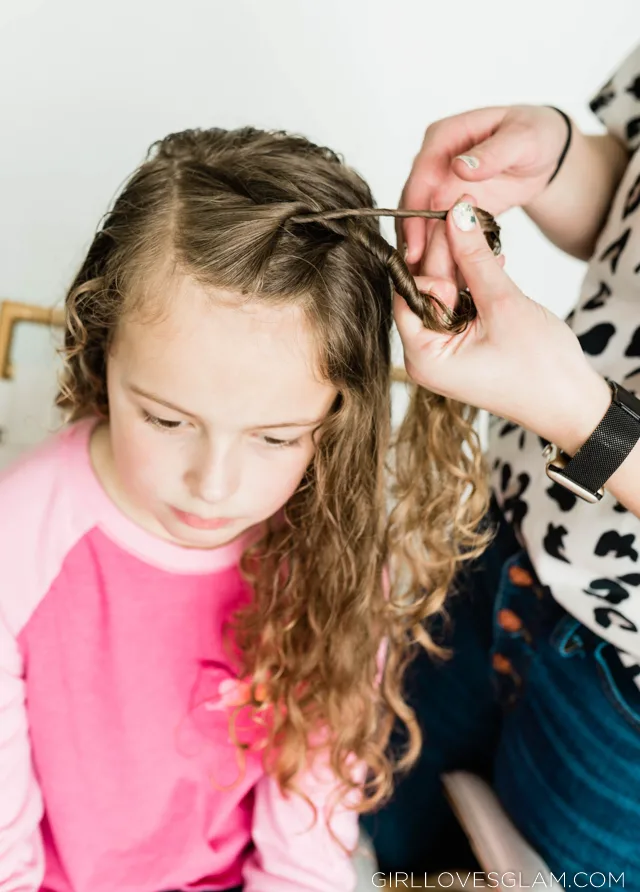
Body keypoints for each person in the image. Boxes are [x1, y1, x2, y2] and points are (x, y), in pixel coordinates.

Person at [0, 125, 499, 892]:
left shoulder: (332, 558)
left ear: (336, 418)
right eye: (167, 420)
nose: (214, 483)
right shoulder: (20, 537)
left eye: (274, 437)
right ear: (102, 348)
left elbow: (305, 851)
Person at [362, 42, 640, 883]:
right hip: (499, 543)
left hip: (620, 699)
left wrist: (582, 417)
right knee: (386, 836)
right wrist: (552, 161)